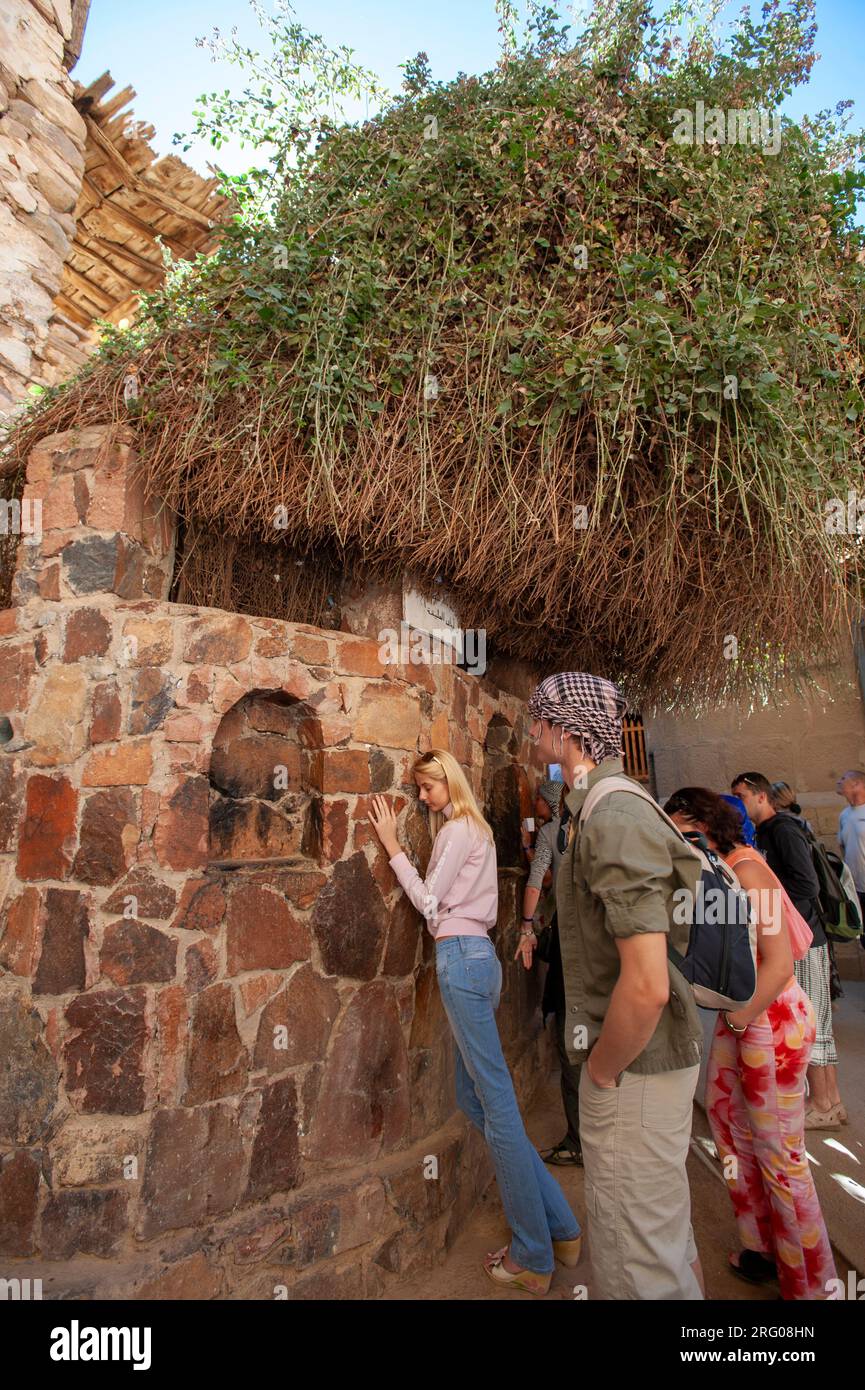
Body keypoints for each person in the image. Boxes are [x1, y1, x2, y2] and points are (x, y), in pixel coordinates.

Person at [368, 748, 581, 1295]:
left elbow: (429, 904)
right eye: (419, 789)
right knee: (474, 1097)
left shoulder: (457, 830)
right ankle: (560, 1224)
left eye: (428, 788)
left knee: (499, 1106)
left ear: (450, 784)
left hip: (461, 958)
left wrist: (392, 846)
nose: (422, 798)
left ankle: (533, 1253)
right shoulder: (478, 831)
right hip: (479, 960)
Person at [527, 671, 706, 1301]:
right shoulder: (596, 807)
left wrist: (601, 1070)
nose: (532, 732)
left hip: (634, 1066)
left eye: (539, 720)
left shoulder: (615, 813)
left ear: (567, 731)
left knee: (638, 1259)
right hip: (634, 1064)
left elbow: (649, 983)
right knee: (654, 1240)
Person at [664, 787, 837, 1300]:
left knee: (780, 1153)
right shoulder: (717, 870)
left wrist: (739, 1021)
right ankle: (764, 1248)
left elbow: (779, 962)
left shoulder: (749, 869)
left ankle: (811, 1283)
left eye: (683, 831)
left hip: (771, 1016)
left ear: (704, 825)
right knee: (727, 1122)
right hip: (743, 1016)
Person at [731, 773, 845, 1131]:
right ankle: (830, 1102)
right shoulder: (767, 832)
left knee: (811, 1023)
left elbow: (806, 884)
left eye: (741, 795)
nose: (738, 802)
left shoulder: (783, 829)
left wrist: (775, 912)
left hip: (804, 939)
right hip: (799, 937)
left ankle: (823, 1101)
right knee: (816, 1021)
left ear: (761, 796)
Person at [517, 780, 583, 1166]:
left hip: (569, 946)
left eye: (540, 798)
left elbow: (537, 881)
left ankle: (577, 1140)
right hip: (599, 946)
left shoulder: (550, 832)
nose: (536, 803)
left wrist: (526, 926)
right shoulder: (587, 827)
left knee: (569, 1045)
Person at [836, 769, 865, 933]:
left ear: (856, 784)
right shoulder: (844, 815)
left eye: (843, 778)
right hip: (856, 887)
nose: (839, 782)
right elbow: (843, 846)